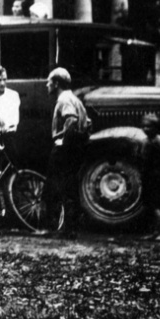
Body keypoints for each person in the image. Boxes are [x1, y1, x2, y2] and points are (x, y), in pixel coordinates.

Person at [44, 67, 91, 238]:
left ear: (56, 83)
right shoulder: (74, 99)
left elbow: (71, 119)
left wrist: (62, 139)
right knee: (70, 188)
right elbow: (88, 122)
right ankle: (70, 228)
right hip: (74, 149)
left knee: (60, 187)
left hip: (65, 150)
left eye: (49, 82)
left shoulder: (64, 100)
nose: (47, 85)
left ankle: (66, 229)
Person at [140, 113, 160, 240]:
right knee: (150, 205)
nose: (146, 129)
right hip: (149, 176)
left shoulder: (158, 141)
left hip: (157, 176)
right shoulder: (147, 141)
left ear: (156, 128)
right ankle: (155, 231)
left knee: (156, 205)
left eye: (149, 127)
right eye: (144, 126)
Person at [0, 65, 20, 133]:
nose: (2, 83)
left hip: (8, 136)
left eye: (4, 79)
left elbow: (13, 121)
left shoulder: (13, 96)